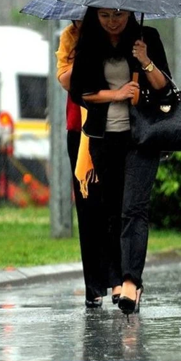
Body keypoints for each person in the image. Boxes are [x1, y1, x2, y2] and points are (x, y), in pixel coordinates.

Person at [70, 7, 171, 315]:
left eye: (118, 14)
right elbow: (79, 92)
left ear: (130, 13)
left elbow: (165, 88)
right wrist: (115, 95)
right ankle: (116, 277)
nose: (112, 21)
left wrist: (144, 60)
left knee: (134, 209)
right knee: (112, 210)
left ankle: (131, 282)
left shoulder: (147, 38)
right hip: (104, 140)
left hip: (141, 138)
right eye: (104, 16)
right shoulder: (89, 43)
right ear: (94, 17)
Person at [56, 20, 120, 308]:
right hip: (79, 129)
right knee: (87, 205)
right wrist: (86, 57)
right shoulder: (71, 38)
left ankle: (119, 281)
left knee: (114, 205)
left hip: (116, 126)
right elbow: (66, 80)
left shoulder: (116, 34)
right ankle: (93, 286)